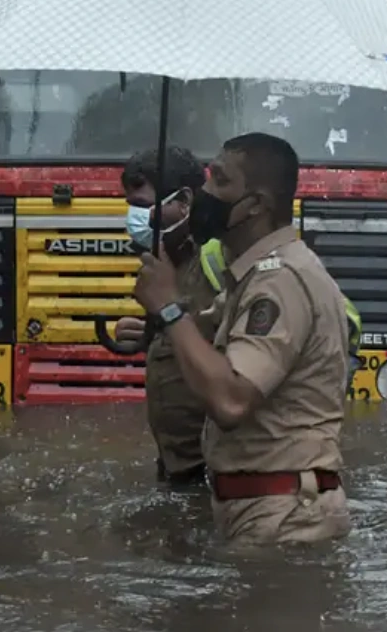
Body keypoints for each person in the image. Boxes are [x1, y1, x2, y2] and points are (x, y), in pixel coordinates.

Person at [127, 132, 353, 545]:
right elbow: (203, 341)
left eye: (220, 181)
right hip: (264, 510)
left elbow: (231, 400)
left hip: (284, 519)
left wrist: (170, 309)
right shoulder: (252, 276)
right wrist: (160, 321)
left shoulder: (279, 281)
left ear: (256, 205)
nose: (205, 192)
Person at [118, 146, 216, 488]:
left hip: (214, 466)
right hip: (177, 462)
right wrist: (147, 334)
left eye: (144, 207)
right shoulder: (162, 261)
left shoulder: (215, 257)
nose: (134, 218)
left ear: (185, 200)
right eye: (130, 207)